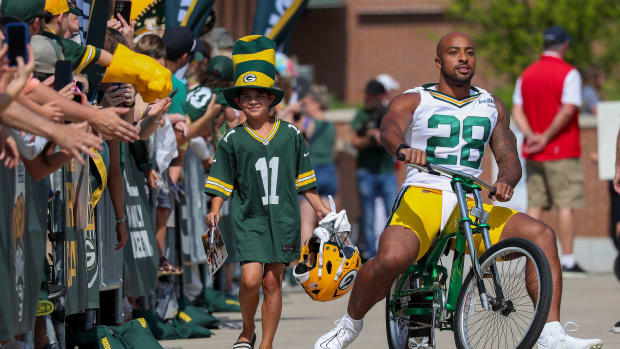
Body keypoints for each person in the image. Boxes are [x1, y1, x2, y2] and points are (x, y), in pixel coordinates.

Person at [314, 32, 601, 349]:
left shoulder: (491, 104)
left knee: (542, 235)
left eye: (469, 52)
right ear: (439, 61)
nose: (463, 58)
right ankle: (348, 325)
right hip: (424, 194)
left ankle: (550, 333)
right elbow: (389, 127)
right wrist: (403, 148)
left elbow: (509, 157)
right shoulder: (415, 98)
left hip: (470, 200)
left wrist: (507, 179)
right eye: (454, 52)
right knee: (392, 258)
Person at [204, 35, 330, 349]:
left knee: (272, 281)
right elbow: (223, 178)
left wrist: (318, 206)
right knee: (249, 280)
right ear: (238, 102)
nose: (253, 100)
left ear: (271, 99)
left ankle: (267, 343)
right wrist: (215, 208)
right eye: (245, 96)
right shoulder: (232, 139)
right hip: (248, 218)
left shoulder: (290, 135)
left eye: (260, 94)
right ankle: (248, 328)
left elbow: (303, 178)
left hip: (283, 217)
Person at [511, 26, 586, 274]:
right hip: (561, 149)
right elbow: (568, 108)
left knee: (536, 205)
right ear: (563, 46)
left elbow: (517, 109)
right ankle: (568, 259)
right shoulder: (569, 73)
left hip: (533, 151)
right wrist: (545, 137)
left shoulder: (527, 74)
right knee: (566, 204)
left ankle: (529, 255)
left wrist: (531, 134)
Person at [350, 79, 397, 259]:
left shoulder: (388, 114)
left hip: (386, 172)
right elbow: (353, 141)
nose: (367, 98)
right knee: (368, 216)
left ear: (381, 96)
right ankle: (371, 255)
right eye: (367, 94)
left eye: (371, 95)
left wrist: (383, 138)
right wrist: (369, 139)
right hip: (366, 172)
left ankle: (391, 252)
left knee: (392, 215)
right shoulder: (362, 115)